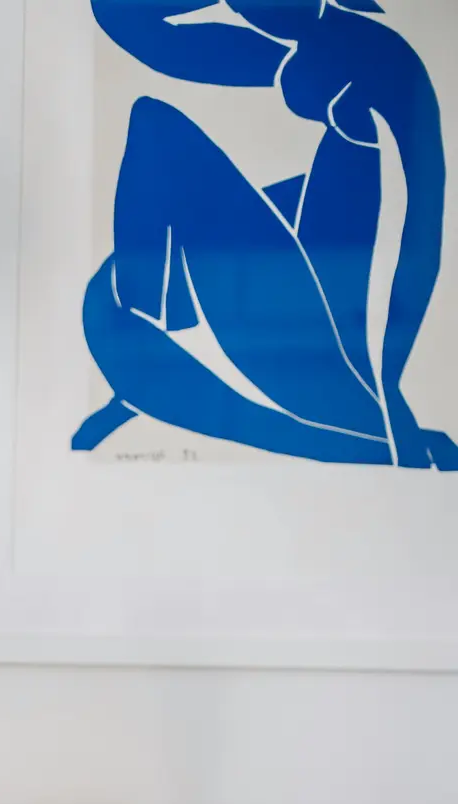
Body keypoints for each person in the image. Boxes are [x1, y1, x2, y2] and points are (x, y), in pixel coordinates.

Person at [74, 0, 457, 467]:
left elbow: (416, 241)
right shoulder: (328, 45)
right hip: (322, 322)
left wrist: (383, 393)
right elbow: (141, 29)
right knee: (270, 190)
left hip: (333, 353)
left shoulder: (363, 61)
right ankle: (152, 359)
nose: (237, 12)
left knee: (155, 128)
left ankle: (150, 347)